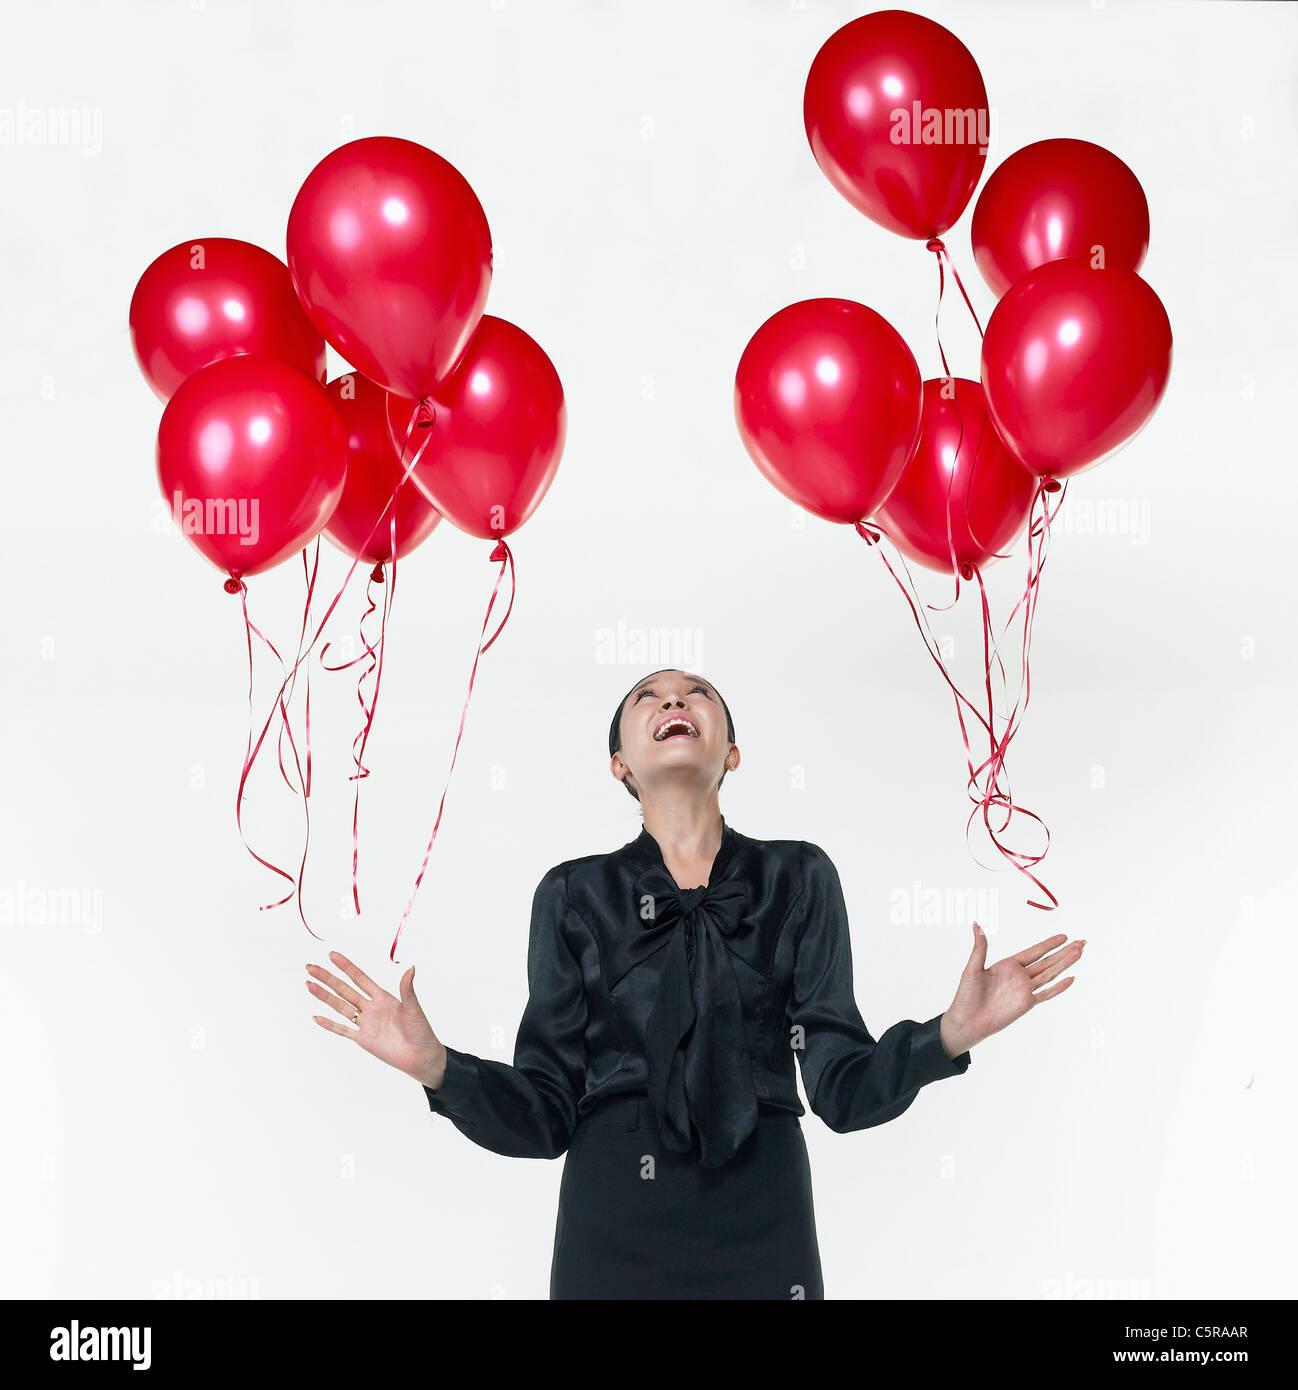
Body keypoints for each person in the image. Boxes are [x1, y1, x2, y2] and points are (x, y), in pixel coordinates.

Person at [307, 668, 1085, 1299]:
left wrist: (947, 1036)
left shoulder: (799, 875)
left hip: (763, 1204)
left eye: (697, 694)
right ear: (620, 764)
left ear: (732, 753)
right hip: (613, 1211)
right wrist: (436, 1067)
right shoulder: (572, 893)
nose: (674, 700)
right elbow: (544, 1116)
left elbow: (842, 1091)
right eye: (648, 696)